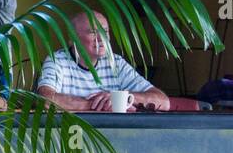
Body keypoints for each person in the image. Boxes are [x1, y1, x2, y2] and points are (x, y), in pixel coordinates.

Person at [35, 11, 169, 112]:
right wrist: (102, 105)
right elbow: (45, 100)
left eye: (105, 31)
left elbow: (164, 102)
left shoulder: (115, 63)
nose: (101, 38)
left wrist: (123, 98)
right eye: (93, 32)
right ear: (73, 38)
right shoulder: (57, 61)